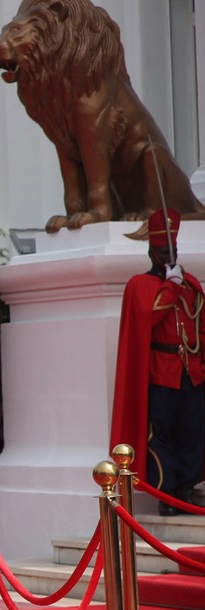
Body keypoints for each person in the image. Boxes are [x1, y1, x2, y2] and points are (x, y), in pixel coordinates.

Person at [111, 208, 205, 515]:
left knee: (192, 431)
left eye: (173, 251)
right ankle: (166, 494)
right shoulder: (140, 285)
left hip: (191, 371)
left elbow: (200, 324)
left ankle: (187, 489)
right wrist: (171, 286)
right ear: (151, 252)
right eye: (163, 252)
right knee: (161, 434)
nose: (168, 258)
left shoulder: (189, 284)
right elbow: (151, 318)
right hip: (160, 372)